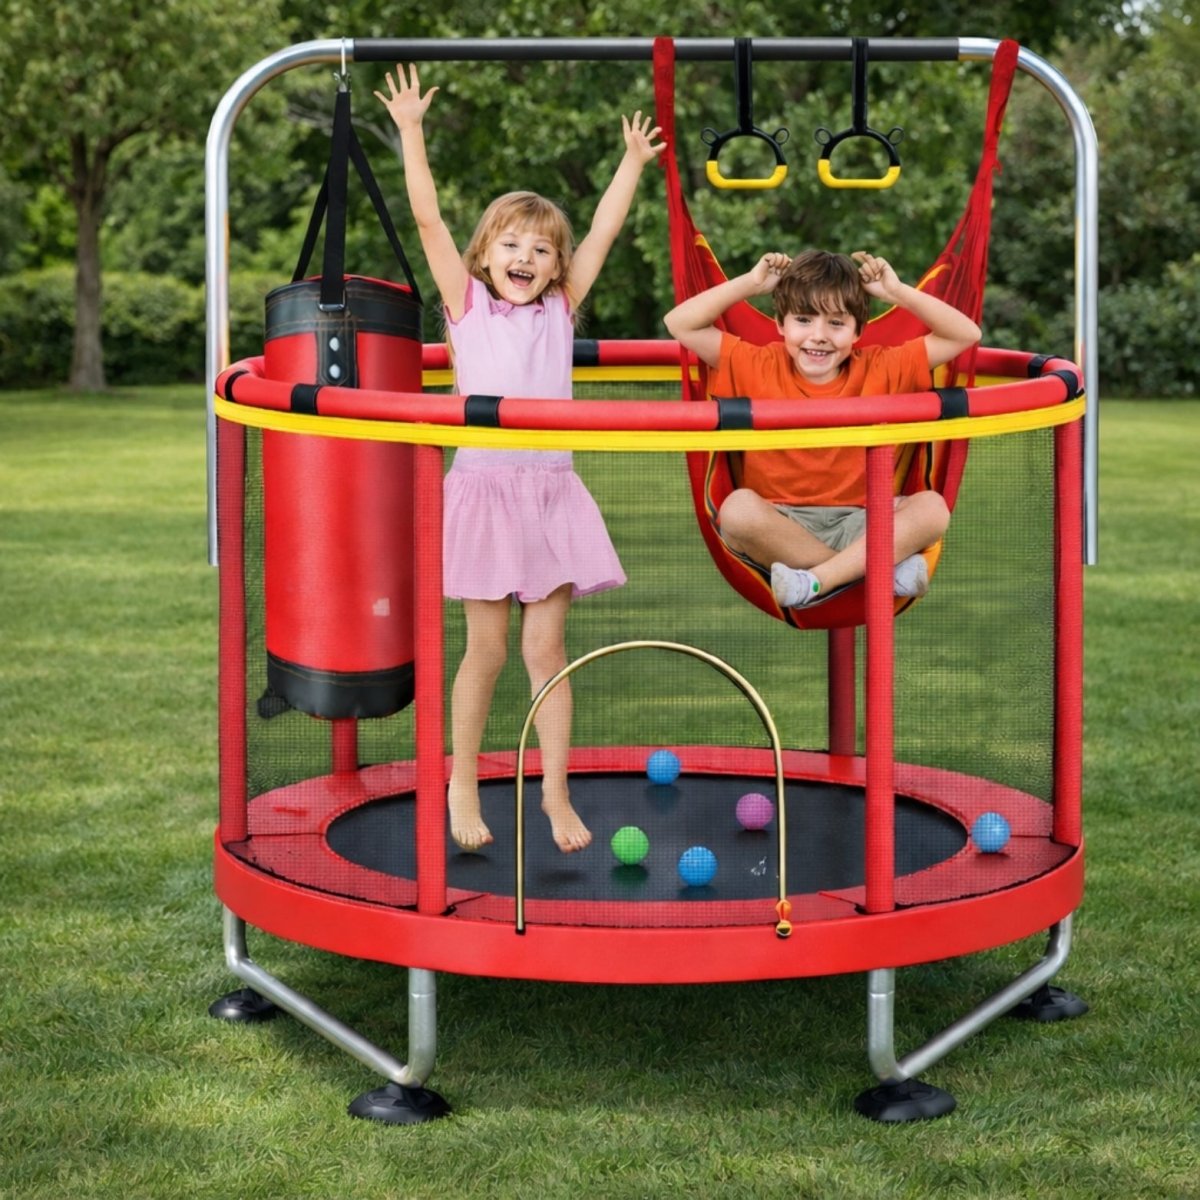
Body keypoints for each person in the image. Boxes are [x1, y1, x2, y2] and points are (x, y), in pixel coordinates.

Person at [376, 65, 665, 854]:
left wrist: (632, 166)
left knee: (546, 650)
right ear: (484, 255)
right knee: (489, 649)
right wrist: (410, 130)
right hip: (484, 490)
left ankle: (555, 795)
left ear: (555, 265)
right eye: (511, 244)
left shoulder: (561, 310)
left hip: (550, 492)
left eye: (541, 248)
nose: (526, 256)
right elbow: (429, 222)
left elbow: (602, 233)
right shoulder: (467, 306)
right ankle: (461, 782)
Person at [663, 248, 981, 609]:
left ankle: (819, 581)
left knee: (932, 509)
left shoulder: (883, 367)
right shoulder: (757, 362)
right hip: (780, 526)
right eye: (803, 320)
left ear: (859, 331)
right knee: (737, 511)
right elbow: (679, 323)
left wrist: (897, 293)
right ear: (780, 324)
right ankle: (877, 572)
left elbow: (965, 334)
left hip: (863, 523)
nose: (819, 336)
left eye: (836, 323)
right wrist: (750, 284)